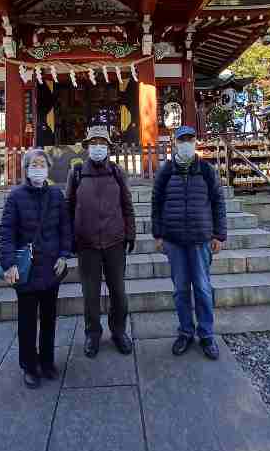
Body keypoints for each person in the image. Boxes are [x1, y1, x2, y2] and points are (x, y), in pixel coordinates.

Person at [0, 148, 72, 389]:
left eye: (42, 164)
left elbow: (65, 228)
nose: (38, 168)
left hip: (51, 266)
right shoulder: (15, 197)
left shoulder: (56, 195)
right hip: (27, 269)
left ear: (48, 168)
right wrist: (8, 264)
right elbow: (6, 233)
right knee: (28, 321)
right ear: (26, 168)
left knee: (49, 318)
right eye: (34, 164)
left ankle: (47, 361)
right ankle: (29, 365)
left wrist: (64, 254)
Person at [151, 125, 227, 359]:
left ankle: (206, 334)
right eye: (182, 139)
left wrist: (219, 234)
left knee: (203, 289)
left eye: (190, 139)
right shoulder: (165, 171)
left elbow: (218, 202)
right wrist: (158, 234)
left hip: (200, 238)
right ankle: (185, 331)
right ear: (175, 142)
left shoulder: (206, 169)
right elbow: (156, 202)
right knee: (181, 290)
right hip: (174, 239)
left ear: (195, 142)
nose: (186, 143)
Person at [66, 125, 136, 358]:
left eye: (102, 144)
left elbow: (127, 204)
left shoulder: (117, 172)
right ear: (87, 147)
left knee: (119, 292)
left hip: (115, 241)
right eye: (93, 143)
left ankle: (118, 332)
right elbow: (68, 207)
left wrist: (131, 233)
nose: (98, 148)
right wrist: (69, 239)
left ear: (108, 148)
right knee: (90, 294)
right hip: (86, 243)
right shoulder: (76, 173)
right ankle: (92, 334)